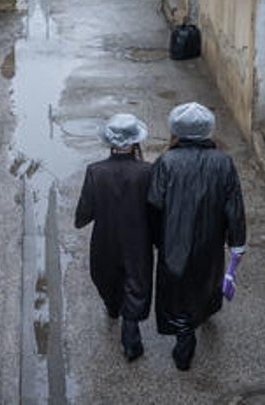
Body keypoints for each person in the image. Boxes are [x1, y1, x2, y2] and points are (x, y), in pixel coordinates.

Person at [147, 102, 247, 371]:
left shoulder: (166, 162)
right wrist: (237, 244)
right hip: (210, 240)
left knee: (177, 289)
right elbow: (234, 209)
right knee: (205, 280)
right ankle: (202, 314)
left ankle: (184, 338)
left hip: (173, 241)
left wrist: (157, 240)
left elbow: (154, 205)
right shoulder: (223, 163)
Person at [74, 112, 154, 361]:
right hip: (138, 240)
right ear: (135, 141)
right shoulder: (147, 171)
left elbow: (84, 213)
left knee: (106, 276)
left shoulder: (95, 171)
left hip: (105, 239)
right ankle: (131, 334)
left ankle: (112, 307)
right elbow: (155, 209)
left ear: (110, 142)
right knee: (136, 282)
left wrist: (82, 217)